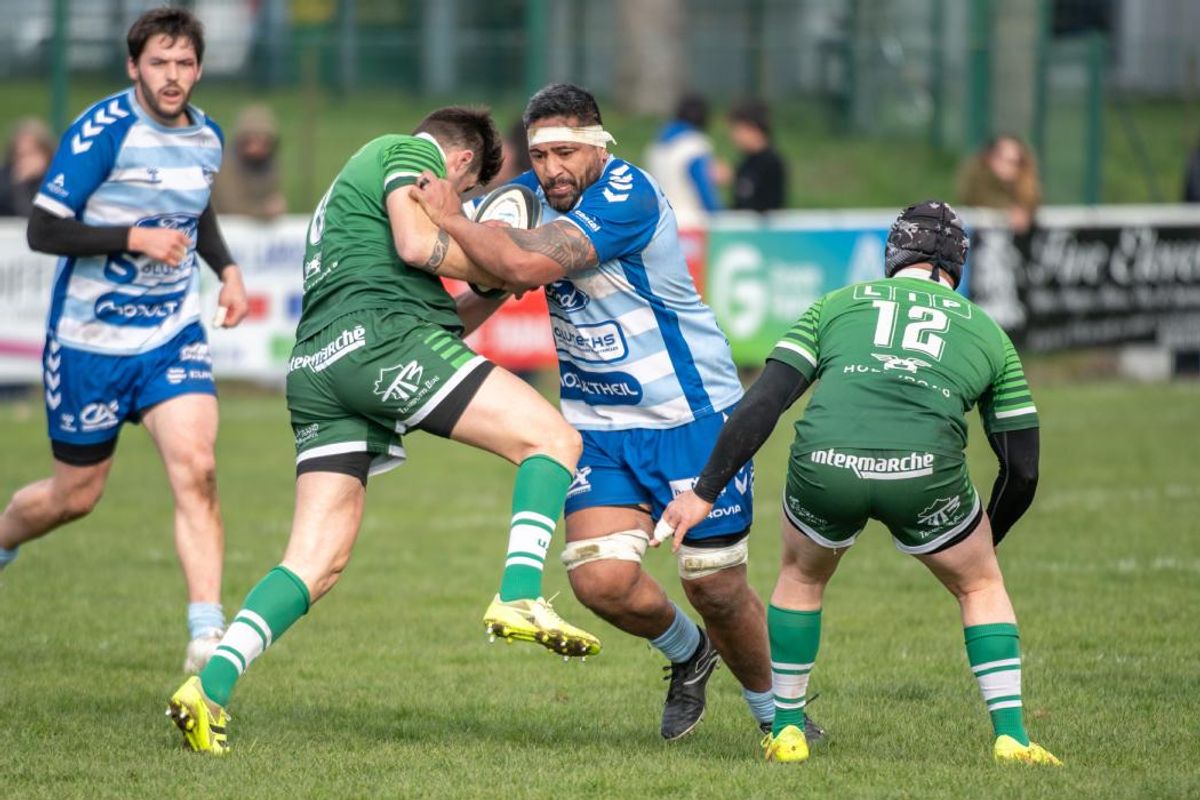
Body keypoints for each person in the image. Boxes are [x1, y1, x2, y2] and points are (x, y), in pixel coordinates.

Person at [166, 105, 601, 755]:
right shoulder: (409, 150)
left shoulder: (356, 185)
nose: (459, 202)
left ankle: (207, 690)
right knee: (553, 438)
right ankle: (518, 594)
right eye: (467, 190)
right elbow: (416, 245)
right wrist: (499, 259)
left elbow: (446, 312)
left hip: (319, 366)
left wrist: (492, 284)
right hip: (381, 342)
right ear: (458, 163)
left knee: (316, 561)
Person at [413, 83, 823, 744]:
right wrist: (416, 332)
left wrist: (453, 220)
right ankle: (690, 653)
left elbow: (520, 259)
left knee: (714, 587)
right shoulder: (528, 196)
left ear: (600, 145)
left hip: (690, 414)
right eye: (540, 156)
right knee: (599, 582)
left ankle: (778, 717)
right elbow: (497, 277)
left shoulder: (627, 195)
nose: (553, 169)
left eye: (567, 153)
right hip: (599, 424)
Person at [660, 201, 1061, 766]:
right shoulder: (990, 334)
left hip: (825, 466)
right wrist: (983, 542)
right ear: (958, 265)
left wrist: (704, 493)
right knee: (979, 586)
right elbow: (1022, 468)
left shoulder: (836, 304)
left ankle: (788, 731)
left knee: (801, 578)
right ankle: (1012, 738)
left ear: (893, 254)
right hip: (925, 475)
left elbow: (765, 403)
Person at [0, 8, 248, 673]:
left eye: (185, 63)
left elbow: (197, 209)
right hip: (88, 343)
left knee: (197, 467)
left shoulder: (207, 136)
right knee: (74, 498)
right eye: (159, 63)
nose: (173, 76)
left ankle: (206, 633)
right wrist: (133, 237)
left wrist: (226, 270)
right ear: (133, 66)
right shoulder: (102, 132)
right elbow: (44, 230)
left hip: (170, 335)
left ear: (199, 68)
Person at [643, 93, 728, 225]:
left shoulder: (655, 148)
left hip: (661, 221)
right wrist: (720, 216)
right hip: (691, 222)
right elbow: (703, 189)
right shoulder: (695, 146)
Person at [209, 104, 286, 220]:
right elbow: (231, 207)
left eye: (263, 142)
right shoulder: (223, 166)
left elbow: (273, 198)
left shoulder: (269, 165)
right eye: (252, 140)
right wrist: (264, 211)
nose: (257, 148)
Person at [956, 135, 1041, 234]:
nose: (1011, 167)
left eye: (1016, 162)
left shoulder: (1023, 180)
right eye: (1007, 161)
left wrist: (1024, 210)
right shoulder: (976, 177)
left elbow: (1031, 199)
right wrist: (1010, 211)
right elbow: (977, 197)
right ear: (992, 158)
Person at [728, 99, 787, 212]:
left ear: (753, 128)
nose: (733, 136)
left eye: (738, 130)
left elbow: (766, 206)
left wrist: (736, 178)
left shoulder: (771, 163)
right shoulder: (745, 162)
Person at [0, 118, 55, 217]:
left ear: (46, 154)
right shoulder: (6, 177)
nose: (25, 161)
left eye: (31, 153)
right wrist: (18, 184)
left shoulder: (54, 181)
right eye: (20, 155)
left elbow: (35, 216)